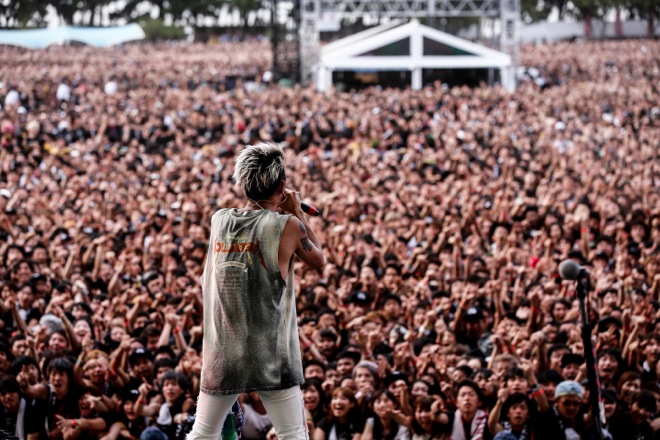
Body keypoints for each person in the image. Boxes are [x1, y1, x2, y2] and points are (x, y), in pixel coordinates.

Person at [186, 142, 325, 440]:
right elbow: (319, 260)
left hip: (224, 351)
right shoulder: (288, 225)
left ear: (243, 184)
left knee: (203, 433)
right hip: (271, 354)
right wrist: (297, 212)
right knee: (293, 434)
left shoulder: (220, 220)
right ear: (282, 186)